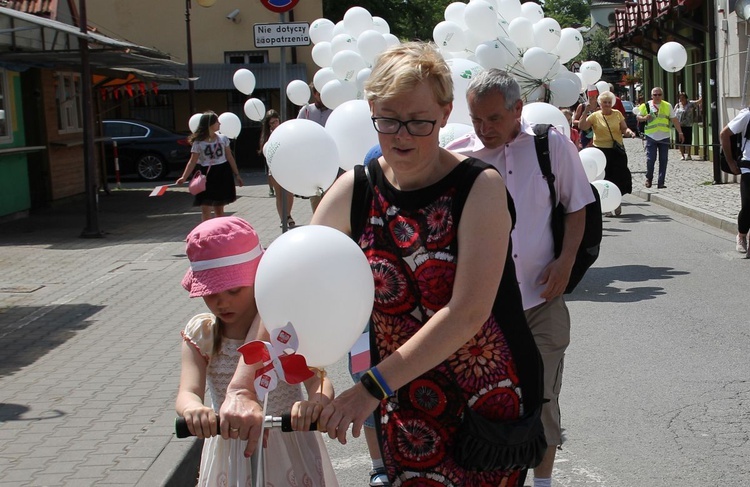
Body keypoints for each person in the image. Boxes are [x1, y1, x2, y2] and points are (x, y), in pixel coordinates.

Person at [220, 42, 543, 486]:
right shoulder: (355, 190)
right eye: (389, 120)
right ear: (372, 108)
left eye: (419, 121)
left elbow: (468, 311)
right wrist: (241, 385)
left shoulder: (479, 188)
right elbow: (292, 287)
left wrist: (369, 389)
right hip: (402, 393)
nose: (402, 135)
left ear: (446, 113)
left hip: (486, 395)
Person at [446, 68, 595, 487]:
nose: (483, 129)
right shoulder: (458, 157)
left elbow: (577, 204)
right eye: (476, 119)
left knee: (543, 397)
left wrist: (565, 260)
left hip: (542, 302)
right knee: (489, 402)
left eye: (493, 118)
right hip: (483, 310)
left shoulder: (551, 147)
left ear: (518, 109)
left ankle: (543, 483)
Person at [175, 216, 338, 486]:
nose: (221, 301)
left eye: (234, 290)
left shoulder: (282, 330)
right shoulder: (202, 333)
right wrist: (194, 409)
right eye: (211, 292)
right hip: (230, 447)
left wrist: (314, 404)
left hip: (288, 440)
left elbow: (318, 380)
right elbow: (187, 391)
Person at [577, 90, 636, 216]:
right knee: (606, 177)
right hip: (601, 151)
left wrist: (629, 132)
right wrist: (586, 111)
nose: (607, 104)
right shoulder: (595, 116)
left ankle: (617, 201)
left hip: (616, 149)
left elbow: (624, 128)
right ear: (600, 103)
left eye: (609, 102)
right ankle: (607, 206)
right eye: (605, 102)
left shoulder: (617, 114)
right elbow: (582, 126)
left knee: (620, 176)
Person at [177, 111, 243, 221]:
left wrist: (237, 175)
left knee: (219, 208)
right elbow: (192, 161)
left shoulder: (223, 139)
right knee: (205, 206)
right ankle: (206, 232)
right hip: (205, 175)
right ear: (210, 124)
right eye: (217, 121)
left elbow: (230, 157)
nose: (219, 124)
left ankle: (218, 231)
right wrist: (184, 177)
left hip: (222, 172)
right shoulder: (198, 143)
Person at [636, 87, 684, 189]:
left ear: (662, 95)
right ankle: (649, 178)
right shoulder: (646, 106)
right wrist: (644, 118)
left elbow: (674, 120)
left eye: (659, 95)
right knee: (650, 159)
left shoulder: (667, 105)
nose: (657, 97)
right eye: (655, 95)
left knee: (663, 160)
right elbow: (638, 117)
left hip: (664, 137)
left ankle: (661, 182)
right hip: (651, 137)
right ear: (651, 96)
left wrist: (680, 132)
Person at [297, 82, 333, 213]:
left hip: (331, 159)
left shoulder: (334, 110)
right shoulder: (306, 111)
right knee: (315, 195)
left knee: (332, 194)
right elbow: (298, 131)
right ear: (315, 94)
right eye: (320, 93)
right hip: (312, 161)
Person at [720, 108, 750, 258]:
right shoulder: (747, 115)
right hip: (748, 167)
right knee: (748, 205)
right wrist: (730, 162)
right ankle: (742, 234)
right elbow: (724, 134)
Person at [259, 109, 295, 228]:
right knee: (279, 194)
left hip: (288, 164)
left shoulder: (285, 130)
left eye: (276, 121)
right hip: (274, 166)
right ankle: (283, 218)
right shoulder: (268, 135)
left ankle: (288, 214)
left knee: (290, 192)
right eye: (272, 123)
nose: (275, 124)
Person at [674, 92, 702, 160]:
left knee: (688, 140)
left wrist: (702, 94)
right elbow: (673, 114)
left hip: (688, 125)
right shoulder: (677, 105)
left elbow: (699, 102)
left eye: (683, 97)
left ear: (686, 98)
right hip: (679, 125)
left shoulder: (690, 104)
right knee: (680, 141)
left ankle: (689, 155)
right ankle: (682, 155)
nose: (681, 99)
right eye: (680, 97)